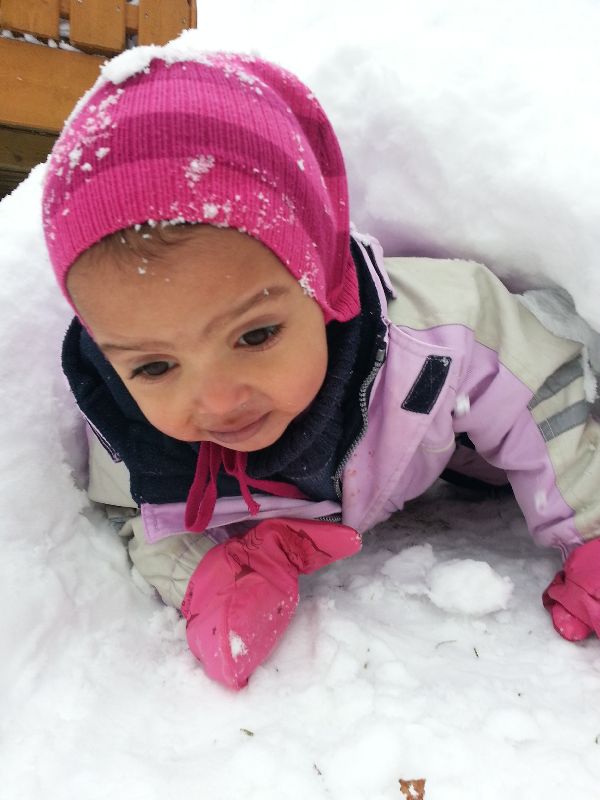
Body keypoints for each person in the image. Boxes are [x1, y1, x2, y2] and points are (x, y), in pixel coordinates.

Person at [43, 35, 600, 691]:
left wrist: (591, 528)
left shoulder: (433, 329)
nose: (218, 401)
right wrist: (211, 575)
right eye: (155, 368)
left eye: (256, 335)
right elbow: (139, 518)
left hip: (454, 443)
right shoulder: (127, 429)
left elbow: (537, 383)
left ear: (322, 278)